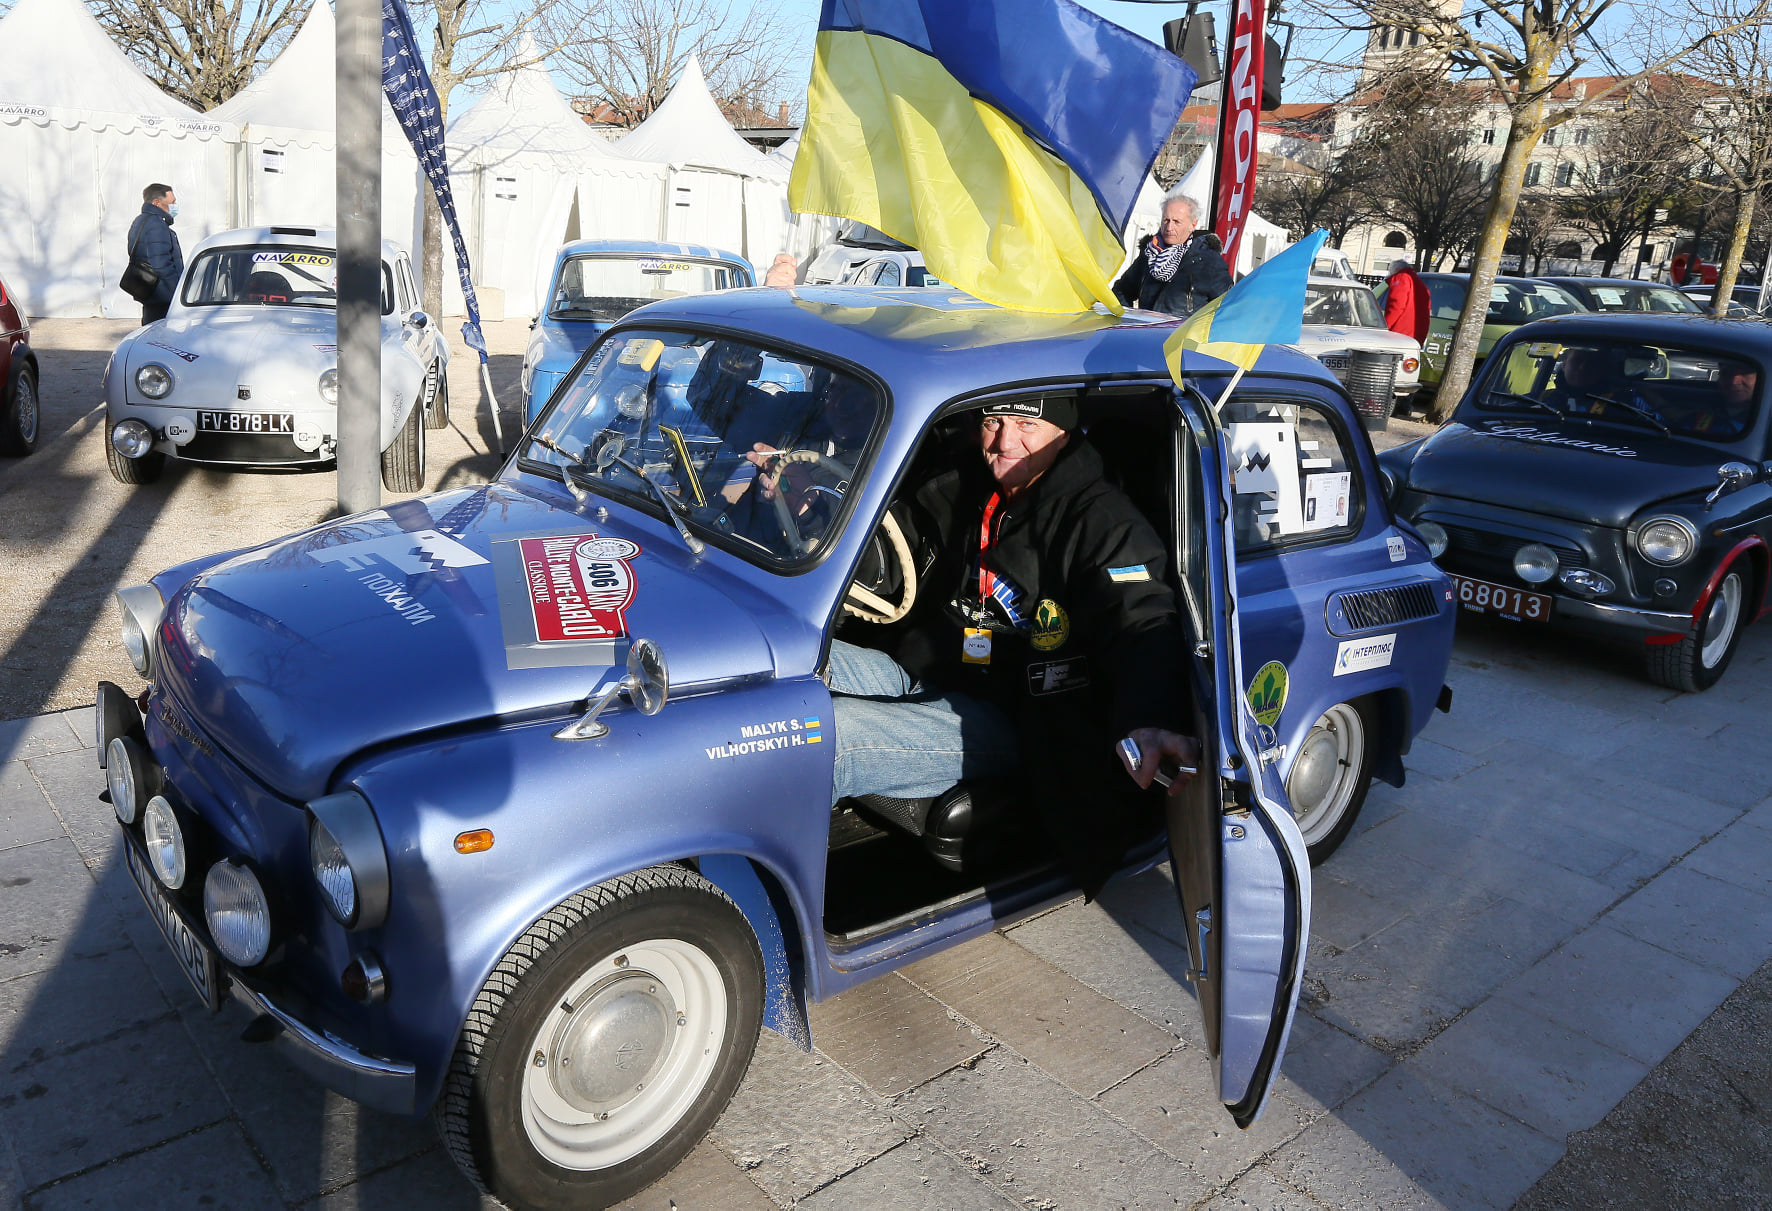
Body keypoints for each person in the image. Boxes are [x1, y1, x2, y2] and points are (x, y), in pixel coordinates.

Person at [828, 397, 1198, 894]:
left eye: (1027, 423)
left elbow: (1141, 615)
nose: (1005, 442)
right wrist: (810, 512)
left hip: (1016, 715)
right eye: (994, 421)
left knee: (822, 738)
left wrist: (1150, 715)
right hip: (929, 669)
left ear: (1064, 431)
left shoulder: (1102, 521)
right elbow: (896, 553)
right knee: (781, 679)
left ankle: (763, 917)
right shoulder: (961, 487)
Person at [1112, 194, 1232, 319]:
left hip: (1183, 335)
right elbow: (1121, 291)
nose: (1169, 227)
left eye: (1177, 222)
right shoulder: (1149, 254)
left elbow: (1227, 307)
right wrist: (1128, 320)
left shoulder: (1208, 260)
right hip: (1147, 334)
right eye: (1166, 220)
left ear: (1193, 224)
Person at [128, 183, 184, 325]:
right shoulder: (157, 225)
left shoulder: (140, 220)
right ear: (157, 203)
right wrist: (178, 291)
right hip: (162, 295)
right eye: (172, 202)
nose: (175, 205)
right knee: (162, 336)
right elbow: (161, 264)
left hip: (149, 291)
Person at [1383, 258, 1430, 343]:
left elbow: (1396, 305)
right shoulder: (1418, 282)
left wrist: (1385, 327)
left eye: (1390, 272)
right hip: (1416, 331)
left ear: (1396, 270)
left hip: (1400, 332)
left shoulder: (1401, 278)